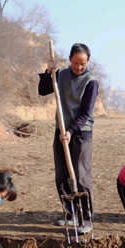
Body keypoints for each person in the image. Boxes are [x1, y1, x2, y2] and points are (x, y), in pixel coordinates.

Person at [38, 43, 99, 233]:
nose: (79, 67)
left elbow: (85, 112)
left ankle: (86, 219)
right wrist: (48, 71)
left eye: (82, 63)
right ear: (70, 59)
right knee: (61, 175)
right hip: (61, 131)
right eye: (75, 63)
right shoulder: (61, 74)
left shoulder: (91, 81)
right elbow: (43, 90)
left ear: (87, 62)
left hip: (80, 133)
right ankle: (70, 214)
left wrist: (71, 131)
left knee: (81, 176)